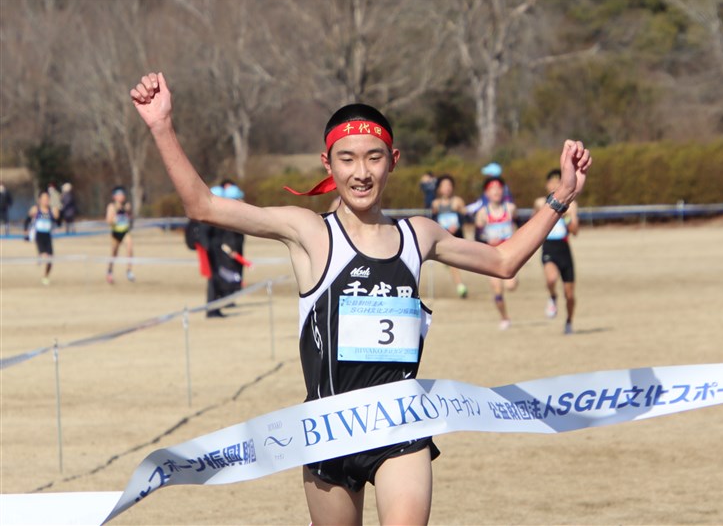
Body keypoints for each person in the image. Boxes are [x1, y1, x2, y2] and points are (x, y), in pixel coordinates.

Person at [130, 71, 591, 525]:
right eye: (347, 159)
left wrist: (562, 195)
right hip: (328, 431)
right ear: (328, 165)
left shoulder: (419, 235)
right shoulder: (309, 233)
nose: (362, 173)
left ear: (393, 159)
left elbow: (504, 260)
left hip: (401, 428)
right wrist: (161, 127)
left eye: (374, 158)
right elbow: (203, 206)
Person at [534, 169, 580, 334]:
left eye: (557, 181)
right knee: (551, 278)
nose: (554, 185)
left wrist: (566, 216)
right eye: (551, 182)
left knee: (569, 294)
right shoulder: (540, 203)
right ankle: (552, 297)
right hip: (548, 246)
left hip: (564, 248)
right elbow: (534, 225)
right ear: (546, 185)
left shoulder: (571, 205)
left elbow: (575, 231)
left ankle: (569, 321)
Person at [474, 177, 519, 330]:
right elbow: (477, 236)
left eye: (499, 188)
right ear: (486, 193)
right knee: (497, 290)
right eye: (492, 189)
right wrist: (487, 238)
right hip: (492, 255)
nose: (496, 192)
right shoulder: (482, 213)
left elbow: (519, 227)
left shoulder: (510, 208)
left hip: (509, 254)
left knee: (511, 286)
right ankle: (504, 317)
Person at [430, 174, 468, 298]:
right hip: (443, 238)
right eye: (444, 186)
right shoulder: (435, 204)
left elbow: (465, 218)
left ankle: (460, 285)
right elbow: (434, 220)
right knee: (453, 263)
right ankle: (460, 286)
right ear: (439, 189)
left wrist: (457, 225)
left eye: (449, 185)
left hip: (457, 236)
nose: (447, 188)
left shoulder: (458, 201)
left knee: (454, 263)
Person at [27, 190, 59, 285]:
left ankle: (45, 276)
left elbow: (57, 219)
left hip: (48, 235)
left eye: (47, 199)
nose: (45, 200)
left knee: (50, 259)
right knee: (44, 255)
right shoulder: (35, 209)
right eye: (43, 199)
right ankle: (40, 256)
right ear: (40, 200)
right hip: (39, 235)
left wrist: (56, 214)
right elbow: (28, 218)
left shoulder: (52, 210)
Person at [105, 186, 135, 284]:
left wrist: (129, 212)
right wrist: (114, 218)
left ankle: (129, 271)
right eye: (120, 195)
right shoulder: (112, 206)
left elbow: (131, 220)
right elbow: (108, 221)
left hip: (125, 231)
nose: (122, 197)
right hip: (116, 233)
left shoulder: (127, 206)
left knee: (130, 248)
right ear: (115, 196)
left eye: (123, 194)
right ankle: (109, 271)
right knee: (114, 254)